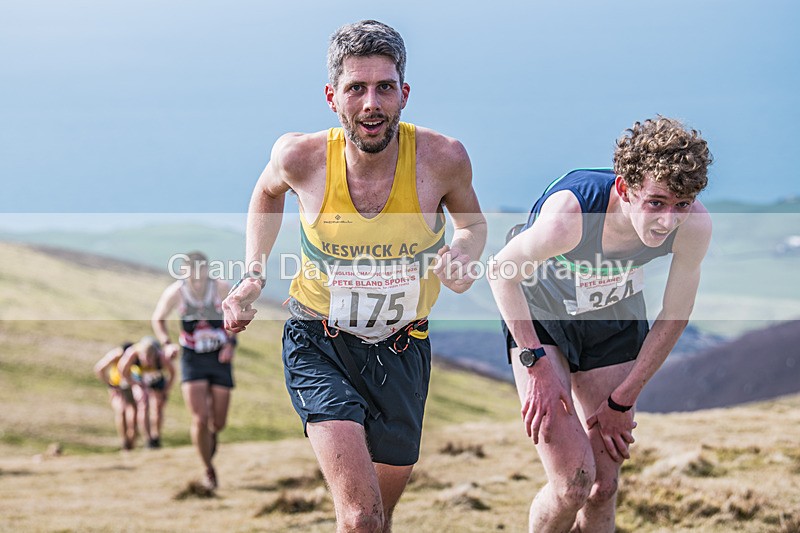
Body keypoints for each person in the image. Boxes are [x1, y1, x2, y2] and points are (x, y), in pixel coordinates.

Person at [223, 19, 486, 532]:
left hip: (404, 349)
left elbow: (472, 225)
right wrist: (252, 273)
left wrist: (462, 253)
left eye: (384, 87)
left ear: (404, 93)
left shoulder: (442, 159)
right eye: (356, 89)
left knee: (379, 518)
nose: (371, 103)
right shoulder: (300, 157)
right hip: (319, 340)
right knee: (361, 518)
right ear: (332, 97)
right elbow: (266, 193)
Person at [488, 116, 713, 532]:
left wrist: (623, 401)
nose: (668, 220)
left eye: (682, 205)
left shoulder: (693, 227)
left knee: (603, 487)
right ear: (625, 189)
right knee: (573, 484)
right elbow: (500, 272)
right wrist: (534, 360)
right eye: (657, 203)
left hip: (612, 319)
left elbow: (675, 315)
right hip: (545, 320)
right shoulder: (569, 217)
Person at [152, 251, 236, 490]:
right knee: (200, 418)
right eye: (191, 271)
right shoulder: (175, 293)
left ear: (208, 270)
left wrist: (230, 344)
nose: (197, 276)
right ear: (184, 271)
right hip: (191, 357)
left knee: (217, 422)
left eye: (201, 270)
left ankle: (212, 437)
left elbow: (235, 316)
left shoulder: (221, 288)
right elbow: (158, 318)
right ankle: (208, 468)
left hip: (219, 356)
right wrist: (166, 343)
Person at [118, 336, 175, 449]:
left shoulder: (162, 357)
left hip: (156, 378)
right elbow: (122, 370)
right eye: (145, 360)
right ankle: (148, 439)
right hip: (139, 378)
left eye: (150, 361)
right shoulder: (132, 353)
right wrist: (133, 383)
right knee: (143, 405)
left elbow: (172, 374)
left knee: (158, 407)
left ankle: (156, 436)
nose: (148, 363)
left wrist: (165, 390)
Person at [94, 342, 138, 450]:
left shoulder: (135, 355)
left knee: (133, 413)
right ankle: (125, 443)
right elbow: (99, 368)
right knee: (121, 411)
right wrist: (111, 384)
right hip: (118, 386)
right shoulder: (117, 354)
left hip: (131, 386)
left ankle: (131, 442)